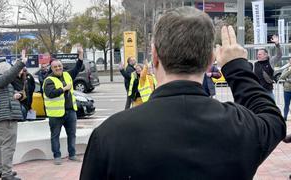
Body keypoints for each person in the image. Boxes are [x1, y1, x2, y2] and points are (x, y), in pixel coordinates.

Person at [80, 7, 286, 180]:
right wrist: (236, 67)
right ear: (209, 61)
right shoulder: (243, 127)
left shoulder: (109, 135)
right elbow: (272, 118)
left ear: (154, 57)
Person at [0, 58, 27, 180]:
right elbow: (9, 76)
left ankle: (1, 170)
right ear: (5, 71)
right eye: (10, 71)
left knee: (3, 143)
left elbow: (4, 95)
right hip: (5, 116)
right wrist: (21, 63)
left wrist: (15, 95)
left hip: (5, 115)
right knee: (9, 145)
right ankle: (7, 174)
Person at [43, 44, 83, 165]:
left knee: (72, 135)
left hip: (70, 111)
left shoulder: (67, 74)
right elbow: (50, 93)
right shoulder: (48, 80)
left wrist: (80, 54)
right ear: (52, 68)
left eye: (59, 66)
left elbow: (78, 67)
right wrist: (64, 89)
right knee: (55, 136)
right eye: (55, 67)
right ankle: (57, 156)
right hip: (56, 114)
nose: (58, 68)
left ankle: (72, 154)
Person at [254, 34, 282, 99]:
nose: (258, 55)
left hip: (268, 92)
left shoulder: (270, 62)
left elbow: (279, 55)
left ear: (265, 55)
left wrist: (277, 44)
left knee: (272, 108)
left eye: (260, 54)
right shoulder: (255, 64)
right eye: (257, 54)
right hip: (258, 92)